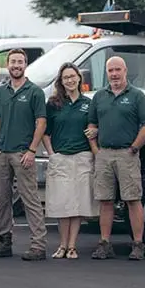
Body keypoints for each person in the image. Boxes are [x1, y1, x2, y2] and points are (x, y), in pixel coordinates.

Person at [87, 56, 145, 261]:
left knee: (132, 199)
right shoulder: (99, 97)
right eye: (110, 71)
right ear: (106, 73)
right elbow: (91, 126)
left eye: (117, 70)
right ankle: (105, 244)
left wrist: (134, 147)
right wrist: (96, 151)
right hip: (104, 154)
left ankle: (138, 244)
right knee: (105, 200)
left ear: (125, 71)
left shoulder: (137, 96)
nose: (114, 74)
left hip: (127, 154)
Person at [0, 49, 49, 261]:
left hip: (23, 153)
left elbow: (41, 122)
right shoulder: (1, 91)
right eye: (13, 62)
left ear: (25, 64)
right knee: (2, 199)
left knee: (29, 198)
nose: (16, 65)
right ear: (7, 64)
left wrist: (32, 150)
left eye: (20, 62)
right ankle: (4, 241)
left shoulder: (34, 92)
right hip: (2, 152)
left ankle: (38, 244)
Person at [43, 63, 98, 260]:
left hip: (82, 157)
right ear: (61, 81)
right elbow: (45, 132)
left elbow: (94, 127)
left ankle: (72, 246)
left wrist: (96, 132)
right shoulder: (53, 104)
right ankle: (62, 245)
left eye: (73, 76)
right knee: (61, 204)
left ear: (79, 78)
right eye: (66, 77)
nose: (70, 80)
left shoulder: (88, 103)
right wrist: (51, 153)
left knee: (77, 204)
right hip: (61, 157)